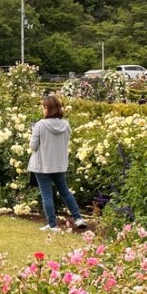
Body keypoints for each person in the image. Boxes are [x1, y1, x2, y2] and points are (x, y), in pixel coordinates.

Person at [28, 94, 85, 232]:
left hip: (42, 165)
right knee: (65, 191)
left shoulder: (40, 125)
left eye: (43, 107)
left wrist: (33, 132)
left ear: (47, 108)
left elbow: (33, 146)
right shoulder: (66, 124)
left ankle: (52, 225)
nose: (43, 110)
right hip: (59, 164)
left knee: (46, 195)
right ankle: (78, 218)